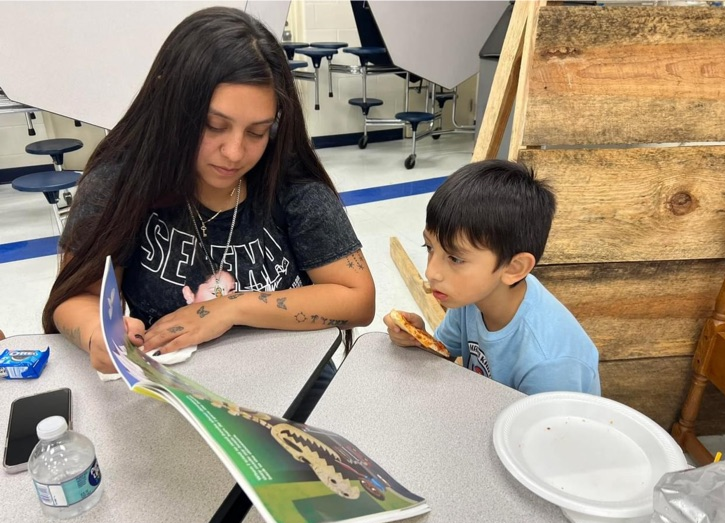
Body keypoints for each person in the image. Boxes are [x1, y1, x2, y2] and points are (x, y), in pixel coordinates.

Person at [42, 7, 376, 383]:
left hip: (293, 384)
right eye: (213, 126)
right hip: (177, 389)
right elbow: (74, 299)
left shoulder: (293, 187)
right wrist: (96, 333)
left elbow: (358, 299)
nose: (234, 153)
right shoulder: (119, 186)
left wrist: (230, 308)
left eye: (257, 132)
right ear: (170, 109)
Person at [384, 160, 600, 396]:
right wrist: (418, 339)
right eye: (429, 247)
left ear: (514, 268)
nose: (431, 272)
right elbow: (444, 353)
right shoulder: (472, 296)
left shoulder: (549, 365)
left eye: (455, 258)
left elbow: (543, 432)